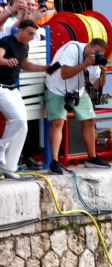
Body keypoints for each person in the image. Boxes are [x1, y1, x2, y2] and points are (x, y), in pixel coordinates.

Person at [44, 38, 111, 174]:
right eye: (96, 51)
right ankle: (54, 162)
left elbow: (97, 86)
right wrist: (85, 64)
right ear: (88, 46)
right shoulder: (73, 48)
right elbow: (64, 74)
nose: (97, 55)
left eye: (101, 54)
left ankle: (92, 158)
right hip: (57, 88)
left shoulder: (94, 62)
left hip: (78, 91)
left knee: (90, 120)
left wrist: (103, 73)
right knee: (58, 122)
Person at [0, 19, 48, 179]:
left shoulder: (25, 46)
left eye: (34, 34)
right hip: (1, 88)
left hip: (13, 88)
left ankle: (8, 167)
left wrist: (44, 68)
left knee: (23, 127)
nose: (32, 37)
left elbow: (25, 64)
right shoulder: (6, 42)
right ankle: (1, 149)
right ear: (20, 30)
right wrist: (6, 61)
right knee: (17, 120)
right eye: (29, 33)